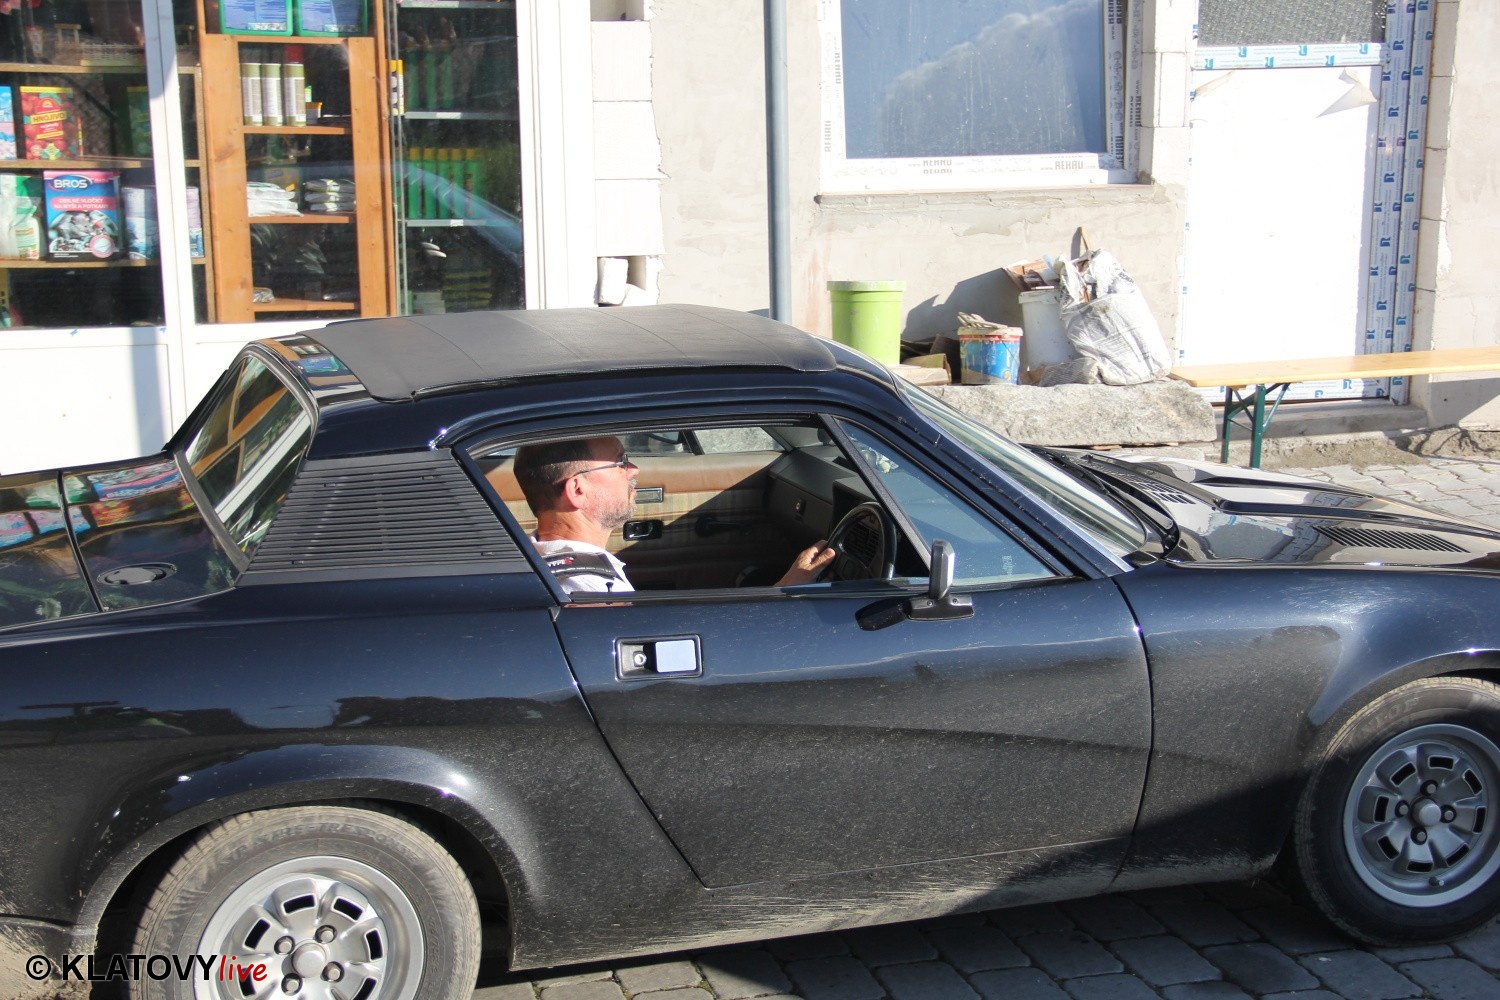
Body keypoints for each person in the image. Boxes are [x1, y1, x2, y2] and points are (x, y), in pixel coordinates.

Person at [513, 436, 836, 594]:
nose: (633, 469)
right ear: (577, 490)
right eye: (620, 461)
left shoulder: (540, 557)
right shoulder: (588, 591)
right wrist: (786, 591)